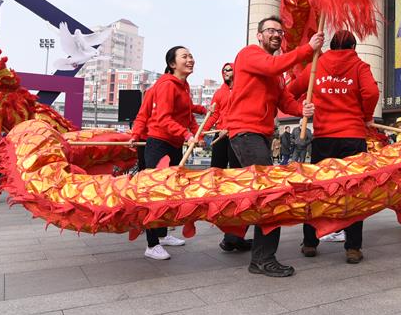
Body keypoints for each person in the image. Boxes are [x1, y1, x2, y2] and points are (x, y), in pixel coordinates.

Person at [228, 15, 322, 277]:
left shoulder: (276, 75)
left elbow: (285, 102)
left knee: (254, 194)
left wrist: (302, 109)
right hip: (245, 133)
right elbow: (272, 66)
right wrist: (307, 49)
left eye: (280, 32)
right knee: (271, 194)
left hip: (260, 135)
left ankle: (235, 240)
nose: (276, 35)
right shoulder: (249, 55)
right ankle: (263, 258)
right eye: (270, 30)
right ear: (259, 35)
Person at [287, 30, 379, 263]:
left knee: (318, 190)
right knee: (354, 191)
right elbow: (371, 92)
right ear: (353, 48)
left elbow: (289, 91)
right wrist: (366, 115)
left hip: (323, 139)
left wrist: (302, 108)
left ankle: (310, 242)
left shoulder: (316, 66)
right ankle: (353, 247)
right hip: (353, 137)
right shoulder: (360, 66)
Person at [129, 46, 204, 260]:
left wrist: (193, 135)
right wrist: (136, 135)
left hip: (173, 143)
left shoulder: (183, 86)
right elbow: (160, 118)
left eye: (191, 56)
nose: (190, 59)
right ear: (172, 64)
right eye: (185, 57)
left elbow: (187, 115)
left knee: (170, 191)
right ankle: (151, 244)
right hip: (159, 144)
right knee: (155, 192)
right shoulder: (166, 86)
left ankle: (161, 234)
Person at [203, 62, 253, 253]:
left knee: (236, 177)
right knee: (216, 172)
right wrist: (201, 133)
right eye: (224, 70)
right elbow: (213, 114)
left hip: (235, 134)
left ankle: (233, 230)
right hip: (220, 135)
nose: (226, 72)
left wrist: (231, 126)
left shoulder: (242, 90)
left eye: (230, 69)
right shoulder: (219, 92)